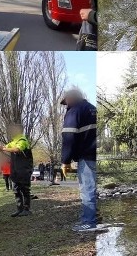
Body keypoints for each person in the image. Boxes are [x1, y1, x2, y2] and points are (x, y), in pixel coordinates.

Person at [60, 89, 98, 232]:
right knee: (93, 189)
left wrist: (65, 161)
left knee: (87, 190)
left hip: (86, 156)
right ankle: (94, 217)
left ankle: (89, 222)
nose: (66, 105)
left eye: (66, 102)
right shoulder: (92, 109)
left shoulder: (75, 111)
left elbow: (69, 137)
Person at [0, 123, 33, 217]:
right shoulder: (13, 141)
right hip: (16, 170)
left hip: (24, 170)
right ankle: (19, 209)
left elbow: (17, 149)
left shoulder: (22, 140)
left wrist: (3, 148)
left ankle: (27, 209)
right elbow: (5, 147)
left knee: (25, 189)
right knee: (16, 189)